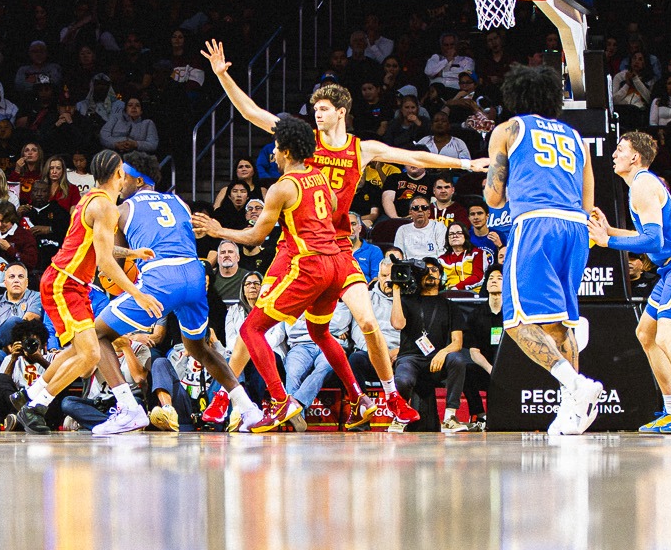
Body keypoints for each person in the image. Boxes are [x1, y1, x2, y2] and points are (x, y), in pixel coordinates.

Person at [205, 39, 484, 427]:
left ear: (341, 112)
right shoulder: (303, 143)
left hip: (337, 248)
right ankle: (224, 395)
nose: (316, 114)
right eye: (314, 109)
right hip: (295, 248)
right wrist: (224, 76)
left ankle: (388, 398)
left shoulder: (361, 149)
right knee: (258, 324)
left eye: (322, 109)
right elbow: (253, 112)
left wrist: (467, 165)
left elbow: (415, 157)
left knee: (368, 323)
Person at [190, 115, 363, 433]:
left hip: (307, 265)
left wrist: (218, 229)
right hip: (334, 265)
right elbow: (335, 204)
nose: (272, 152)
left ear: (285, 149)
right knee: (320, 334)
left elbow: (255, 237)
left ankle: (281, 401)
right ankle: (358, 398)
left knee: (251, 331)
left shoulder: (282, 187)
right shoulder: (320, 175)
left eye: (275, 146)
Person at [89, 163, 259, 435]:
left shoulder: (122, 210)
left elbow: (114, 258)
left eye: (124, 177)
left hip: (160, 277)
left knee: (95, 334)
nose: (120, 183)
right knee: (199, 348)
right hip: (193, 274)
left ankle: (129, 409)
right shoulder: (179, 202)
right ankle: (249, 409)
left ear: (138, 179)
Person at [485, 65, 605, 435]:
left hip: (536, 223)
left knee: (516, 322)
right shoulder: (574, 136)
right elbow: (589, 201)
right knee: (559, 323)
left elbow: (493, 196)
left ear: (515, 96)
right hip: (575, 228)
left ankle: (575, 385)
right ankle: (572, 410)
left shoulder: (509, 129)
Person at [14, 151, 159, 435]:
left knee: (80, 350)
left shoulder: (89, 199)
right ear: (119, 174)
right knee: (91, 355)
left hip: (69, 282)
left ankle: (31, 394)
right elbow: (104, 261)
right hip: (64, 282)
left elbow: (96, 246)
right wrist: (137, 294)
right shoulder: (106, 207)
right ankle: (35, 407)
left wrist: (130, 252)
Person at [589, 130, 671, 432]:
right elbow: (649, 237)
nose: (614, 155)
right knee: (646, 334)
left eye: (620, 150)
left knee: (667, 337)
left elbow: (652, 241)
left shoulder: (643, 185)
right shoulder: (642, 184)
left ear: (634, 157)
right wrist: (611, 231)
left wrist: (607, 242)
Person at [390, 258, 470, 432]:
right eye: (426, 271)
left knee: (457, 359)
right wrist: (397, 290)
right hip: (411, 358)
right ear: (419, 277)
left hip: (436, 362)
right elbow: (397, 324)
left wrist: (442, 353)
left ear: (440, 276)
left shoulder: (450, 306)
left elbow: (457, 342)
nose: (430, 273)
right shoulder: (408, 301)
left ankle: (450, 417)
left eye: (434, 270)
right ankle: (399, 417)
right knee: (402, 380)